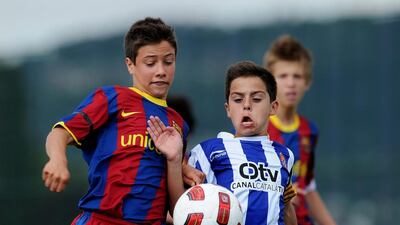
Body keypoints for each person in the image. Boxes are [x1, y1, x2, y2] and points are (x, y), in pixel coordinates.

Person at [42, 17, 189, 225]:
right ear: (130, 65)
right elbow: (59, 133)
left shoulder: (178, 124)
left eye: (168, 61)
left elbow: (176, 209)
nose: (161, 71)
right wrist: (58, 160)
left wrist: (176, 162)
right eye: (150, 63)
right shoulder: (112, 99)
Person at [148, 61, 298, 225]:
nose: (246, 106)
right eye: (238, 99)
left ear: (273, 107)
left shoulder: (285, 155)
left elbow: (285, 207)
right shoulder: (209, 151)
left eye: (256, 99)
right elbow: (181, 206)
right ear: (228, 108)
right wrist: (175, 160)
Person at [263, 35, 337, 225]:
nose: (291, 83)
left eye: (297, 76)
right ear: (270, 83)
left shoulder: (309, 131)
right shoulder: (258, 127)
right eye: (283, 76)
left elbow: (308, 187)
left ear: (307, 82)